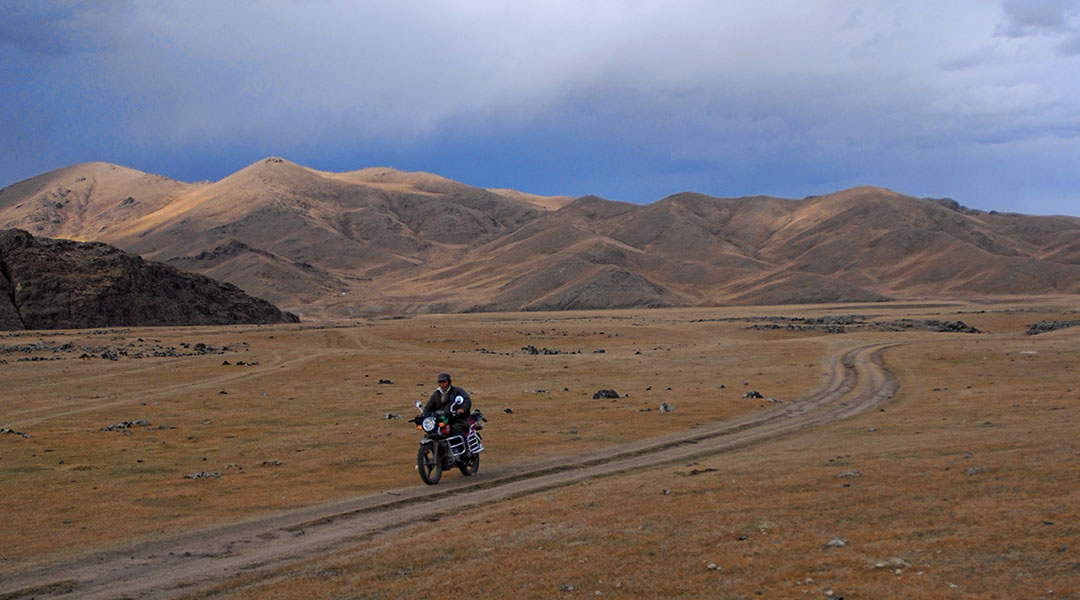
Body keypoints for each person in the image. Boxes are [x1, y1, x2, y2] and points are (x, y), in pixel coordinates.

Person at [423, 372, 472, 446]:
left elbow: (466, 400)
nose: (442, 384)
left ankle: (464, 451)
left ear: (449, 382)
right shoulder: (436, 394)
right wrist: (424, 414)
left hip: (457, 418)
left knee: (456, 429)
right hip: (442, 419)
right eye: (440, 382)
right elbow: (429, 406)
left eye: (444, 382)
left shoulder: (457, 391)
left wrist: (462, 409)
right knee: (432, 432)